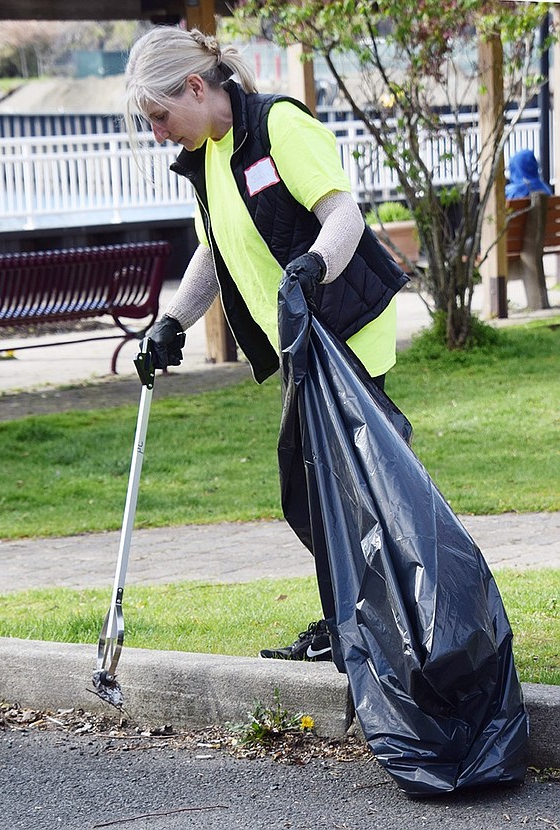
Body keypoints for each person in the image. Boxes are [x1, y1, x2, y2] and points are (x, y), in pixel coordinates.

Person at [124, 26, 409, 662]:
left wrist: (311, 265)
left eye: (160, 116)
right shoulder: (209, 157)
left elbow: (343, 214)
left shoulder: (278, 125)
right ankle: (354, 622)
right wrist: (172, 320)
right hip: (303, 343)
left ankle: (369, 629)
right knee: (312, 492)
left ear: (196, 87)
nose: (159, 134)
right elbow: (212, 248)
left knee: (344, 492)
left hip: (346, 331)